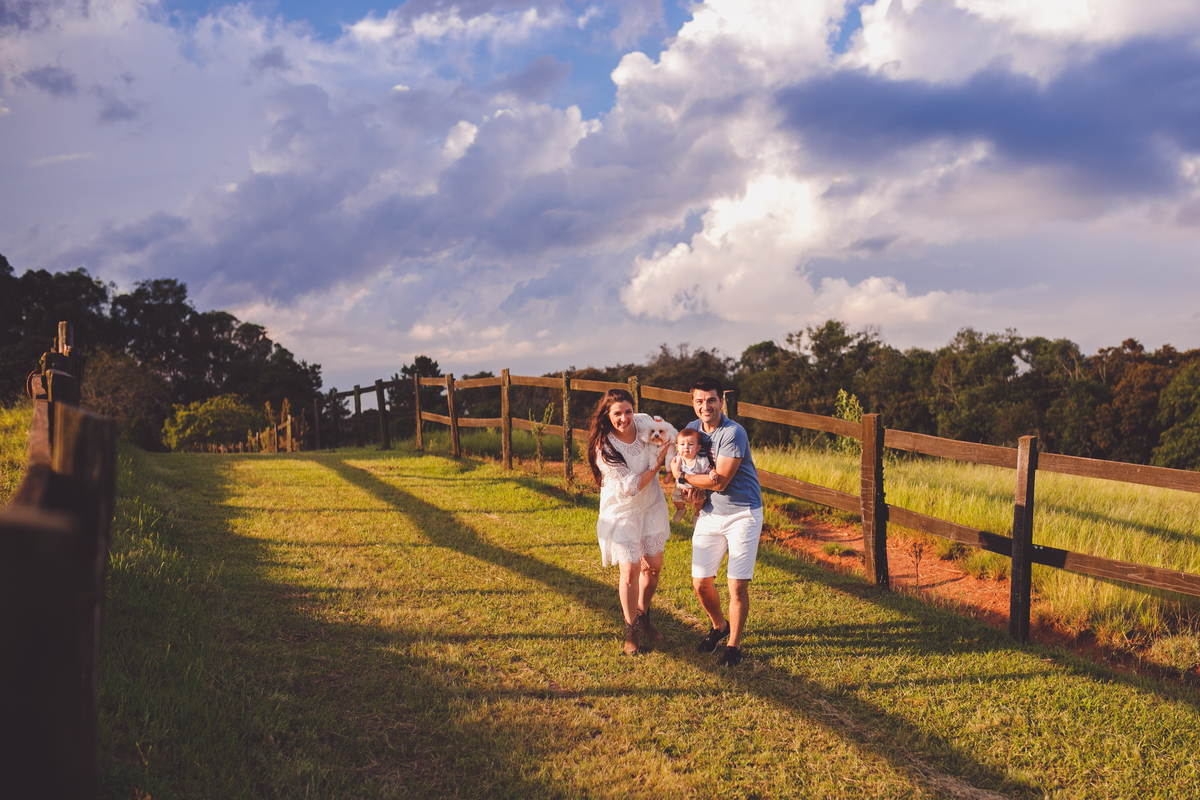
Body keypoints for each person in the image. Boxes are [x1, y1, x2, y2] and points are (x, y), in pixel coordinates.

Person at [676, 377, 763, 668]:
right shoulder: (693, 429)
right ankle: (719, 626)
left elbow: (721, 481)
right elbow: (684, 462)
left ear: (721, 402)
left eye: (711, 400)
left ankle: (733, 645)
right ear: (693, 403)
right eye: (699, 401)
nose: (705, 406)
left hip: (743, 512)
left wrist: (682, 479)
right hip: (710, 512)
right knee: (700, 582)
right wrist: (692, 494)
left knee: (736, 585)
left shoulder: (733, 433)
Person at [587, 388, 672, 656]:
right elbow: (630, 486)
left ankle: (643, 614)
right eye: (617, 414)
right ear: (607, 415)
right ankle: (632, 629)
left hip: (651, 506)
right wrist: (657, 466)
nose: (624, 418)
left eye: (628, 412)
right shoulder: (605, 447)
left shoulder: (645, 422)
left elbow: (669, 434)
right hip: (622, 511)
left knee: (654, 567)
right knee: (631, 568)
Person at [669, 428, 711, 523]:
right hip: (681, 486)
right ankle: (680, 510)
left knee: (700, 503)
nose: (686, 447)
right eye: (682, 444)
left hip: (698, 487)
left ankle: (697, 515)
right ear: (677, 447)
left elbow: (709, 469)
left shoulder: (702, 461)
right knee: (675, 499)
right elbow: (672, 469)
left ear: (698, 448)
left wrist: (712, 473)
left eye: (690, 444)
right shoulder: (678, 459)